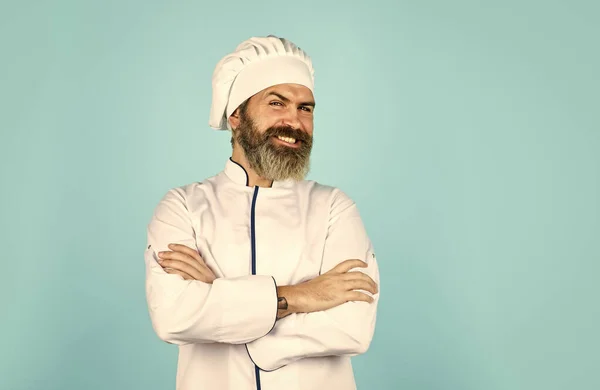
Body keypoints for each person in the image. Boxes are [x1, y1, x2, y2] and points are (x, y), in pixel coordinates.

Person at [144, 35, 380, 390]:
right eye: (276, 103)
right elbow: (174, 317)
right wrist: (302, 296)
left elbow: (353, 328)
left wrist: (219, 295)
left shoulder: (334, 208)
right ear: (236, 114)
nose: (295, 121)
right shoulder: (183, 206)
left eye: (305, 108)